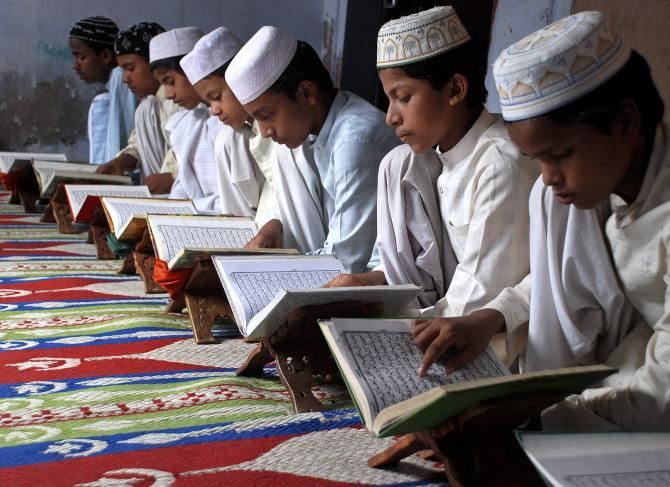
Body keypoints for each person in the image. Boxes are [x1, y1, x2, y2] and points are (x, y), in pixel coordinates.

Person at [414, 10, 670, 431]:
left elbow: (660, 387)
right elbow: (553, 277)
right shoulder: (596, 185)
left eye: (561, 155)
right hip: (636, 352)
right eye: (538, 160)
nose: (549, 177)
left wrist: (541, 419)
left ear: (625, 122)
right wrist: (493, 315)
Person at [326, 6, 537, 315]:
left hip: (490, 335)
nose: (391, 117)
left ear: (454, 89)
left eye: (404, 97)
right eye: (388, 100)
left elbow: (478, 299)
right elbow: (425, 266)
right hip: (444, 314)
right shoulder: (436, 158)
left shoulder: (498, 164)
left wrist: (399, 323)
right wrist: (367, 284)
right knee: (398, 162)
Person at [225, 26, 400, 273]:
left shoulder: (353, 141)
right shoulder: (315, 128)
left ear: (307, 93)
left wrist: (267, 272)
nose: (264, 131)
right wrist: (274, 223)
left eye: (266, 116)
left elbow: (346, 262)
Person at [180, 26, 271, 221]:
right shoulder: (233, 139)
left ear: (241, 77)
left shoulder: (285, 130)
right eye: (209, 102)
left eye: (217, 97)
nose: (214, 110)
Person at [96, 22, 181, 194]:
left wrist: (174, 178)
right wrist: (120, 161)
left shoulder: (184, 100)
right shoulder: (151, 104)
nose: (125, 79)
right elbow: (137, 143)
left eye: (130, 68)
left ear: (154, 64)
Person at [149, 27, 223, 212]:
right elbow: (183, 187)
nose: (168, 94)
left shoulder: (230, 124)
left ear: (192, 69)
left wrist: (187, 209)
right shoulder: (187, 124)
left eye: (170, 81)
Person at [68, 16, 136, 164]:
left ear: (105, 56)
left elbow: (117, 147)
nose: (75, 66)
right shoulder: (113, 87)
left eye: (81, 57)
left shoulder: (120, 77)